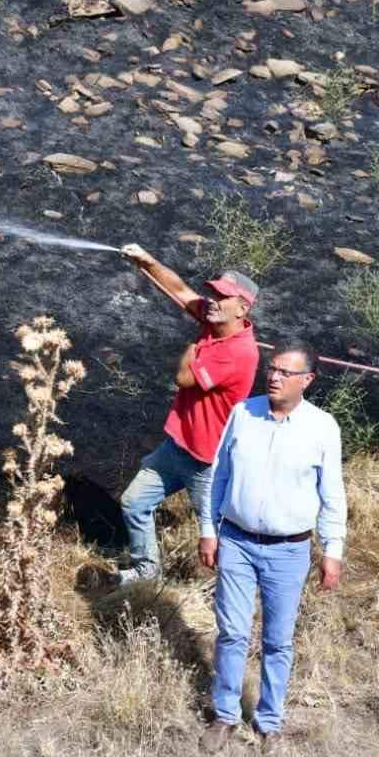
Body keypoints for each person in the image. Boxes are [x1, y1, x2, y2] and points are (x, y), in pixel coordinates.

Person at [196, 340, 347, 756]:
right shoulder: (243, 414)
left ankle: (269, 722)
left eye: (285, 372)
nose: (274, 377)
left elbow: (332, 495)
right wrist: (209, 529)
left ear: (307, 380)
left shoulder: (322, 428)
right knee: (232, 632)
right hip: (238, 542)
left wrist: (332, 551)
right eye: (272, 369)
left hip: (289, 550)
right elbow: (217, 477)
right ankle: (225, 715)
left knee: (278, 640)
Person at [110, 244, 262, 585]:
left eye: (222, 297)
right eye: (213, 293)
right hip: (178, 447)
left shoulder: (237, 353)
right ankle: (146, 571)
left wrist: (192, 349)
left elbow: (183, 377)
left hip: (207, 463)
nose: (212, 300)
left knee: (218, 534)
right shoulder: (217, 323)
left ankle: (237, 585)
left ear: (242, 308)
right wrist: (147, 261)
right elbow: (179, 291)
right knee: (134, 503)